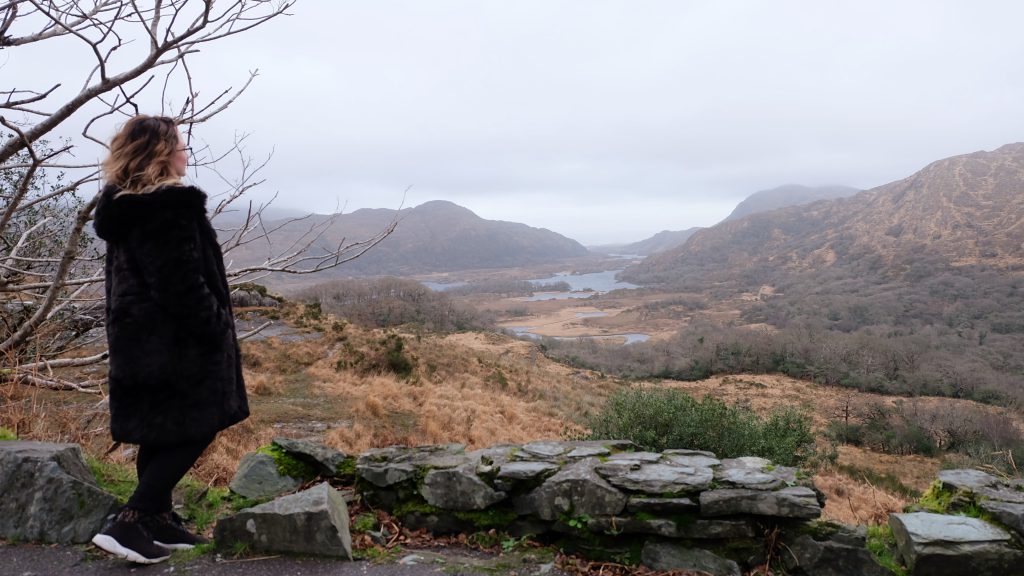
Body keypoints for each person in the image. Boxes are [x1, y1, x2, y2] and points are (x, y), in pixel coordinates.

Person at [91, 115, 249, 564]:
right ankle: (132, 520)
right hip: (179, 343)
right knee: (198, 424)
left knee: (161, 430)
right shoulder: (165, 207)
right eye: (182, 145)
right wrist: (216, 327)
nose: (187, 153)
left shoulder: (126, 206)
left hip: (140, 342)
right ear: (161, 153)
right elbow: (179, 284)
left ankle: (157, 519)